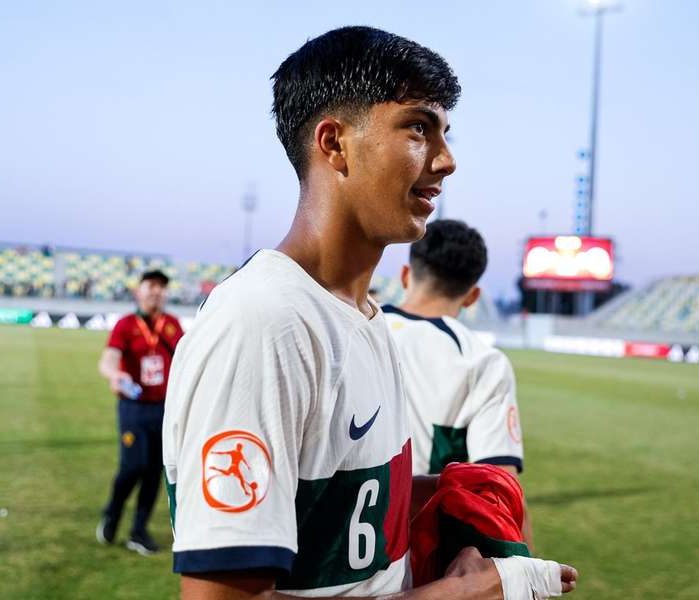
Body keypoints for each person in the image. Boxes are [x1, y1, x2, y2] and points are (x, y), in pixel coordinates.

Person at [163, 26, 577, 600]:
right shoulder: (264, 322)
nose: (447, 160)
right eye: (418, 127)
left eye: (444, 132)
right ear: (334, 144)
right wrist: (465, 594)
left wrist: (436, 493)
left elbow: (336, 517)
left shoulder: (364, 316)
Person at [383, 219, 534, 549]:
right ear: (473, 296)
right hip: (419, 551)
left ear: (406, 275)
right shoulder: (482, 360)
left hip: (328, 547)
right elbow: (499, 489)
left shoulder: (360, 327)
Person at [97, 269, 184, 555]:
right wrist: (114, 375)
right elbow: (109, 359)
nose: (156, 291)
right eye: (151, 286)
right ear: (139, 291)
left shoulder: (172, 325)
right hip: (133, 407)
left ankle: (139, 531)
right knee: (132, 466)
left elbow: (185, 360)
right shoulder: (126, 325)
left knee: (153, 472)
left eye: (161, 287)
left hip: (164, 408)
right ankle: (112, 513)